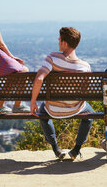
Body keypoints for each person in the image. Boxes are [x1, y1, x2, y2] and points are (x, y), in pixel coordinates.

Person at [30, 27, 94, 160]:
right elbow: (85, 93)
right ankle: (76, 150)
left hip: (53, 108)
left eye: (59, 40)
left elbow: (39, 79)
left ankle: (56, 148)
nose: (58, 43)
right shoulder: (85, 67)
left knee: (42, 113)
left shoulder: (52, 58)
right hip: (76, 108)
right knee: (90, 115)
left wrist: (32, 102)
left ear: (64, 43)